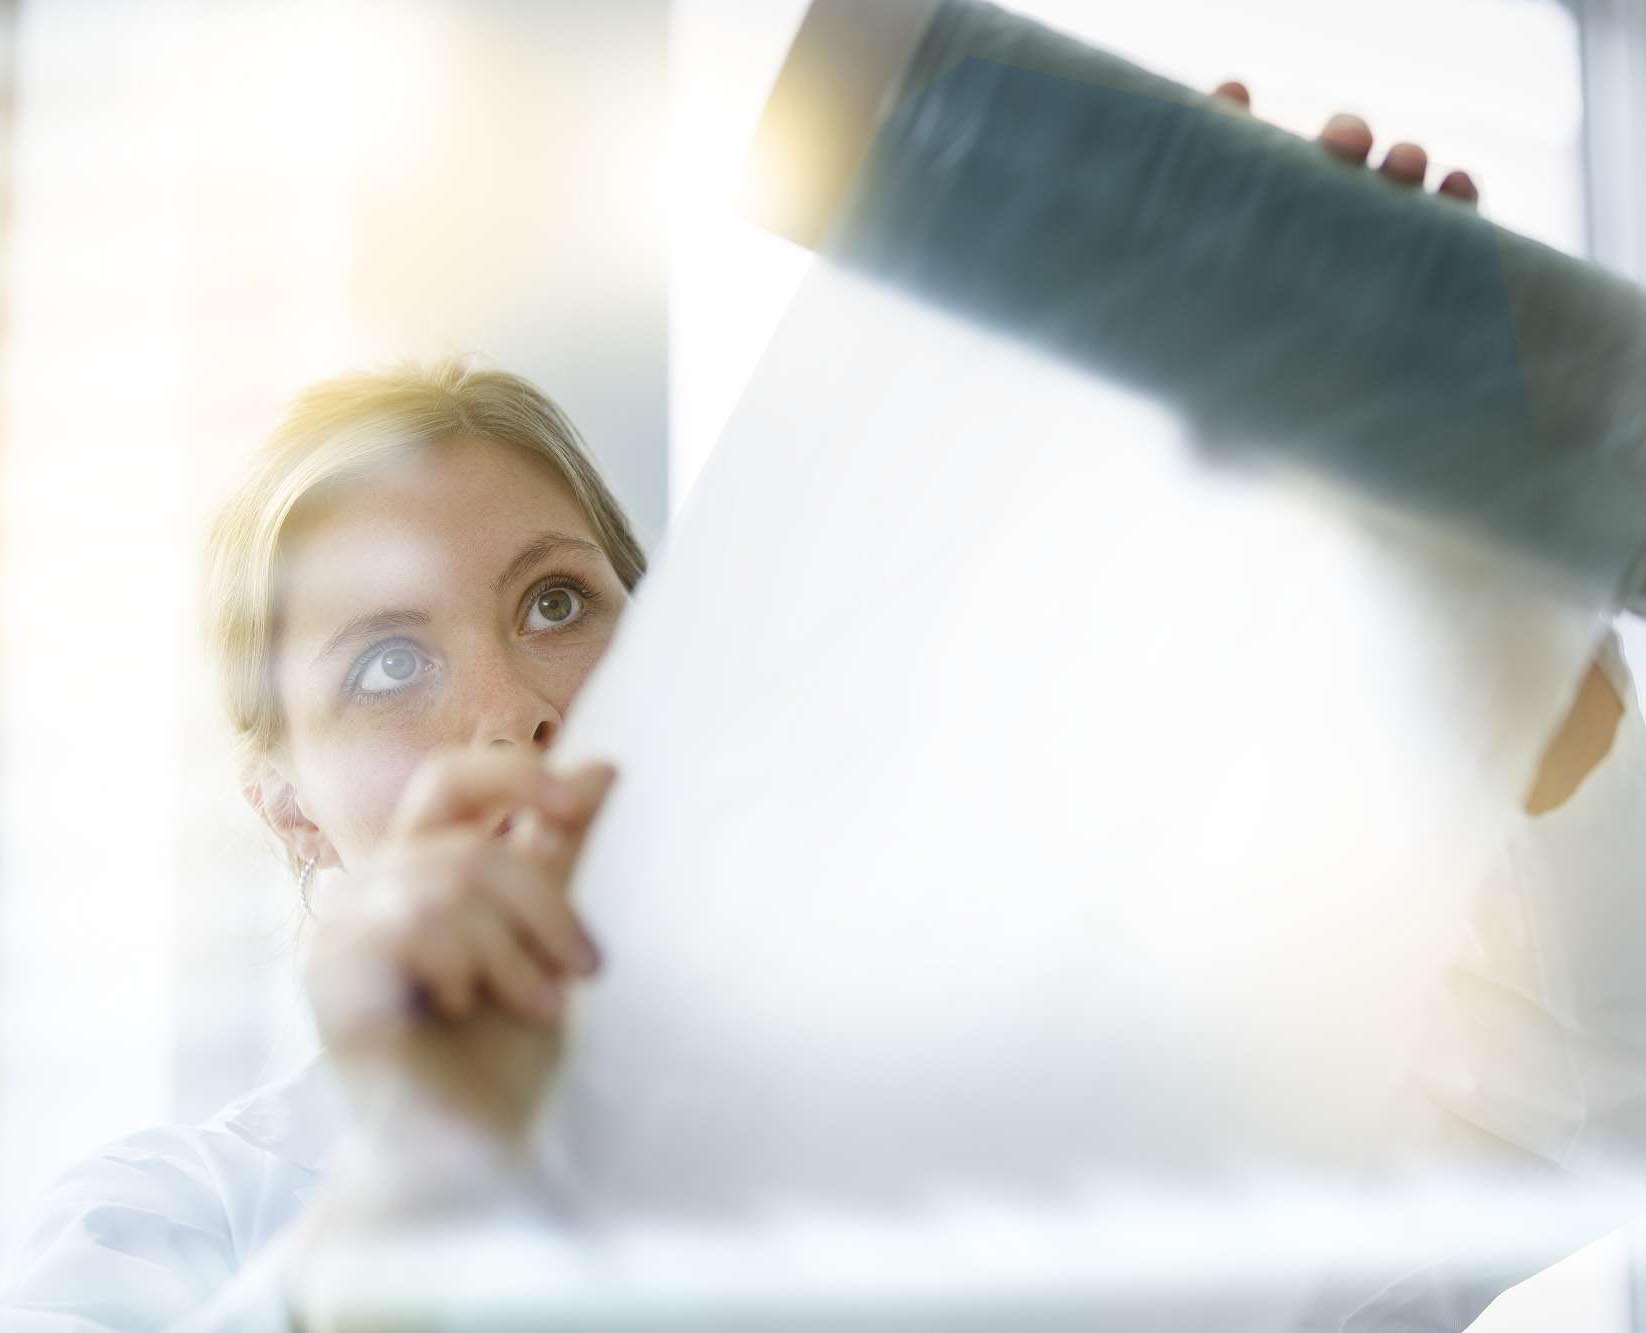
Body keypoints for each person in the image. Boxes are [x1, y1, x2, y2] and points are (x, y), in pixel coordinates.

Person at [0, 103, 1630, 1332]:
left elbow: (1521, 1158)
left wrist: (1502, 696)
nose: (508, 713)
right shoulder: (168, 1229)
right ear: (282, 798)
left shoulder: (1013, 1040)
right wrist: (422, 1175)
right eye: (383, 664)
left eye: (557, 600)